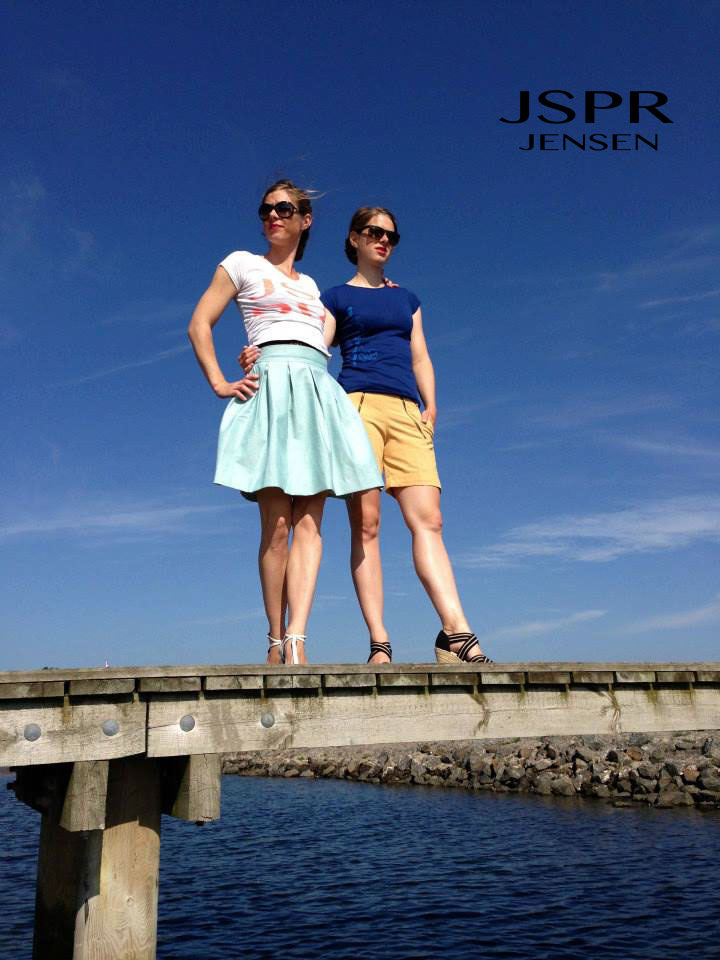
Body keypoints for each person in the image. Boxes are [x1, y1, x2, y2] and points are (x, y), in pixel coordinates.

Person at [240, 206, 491, 666]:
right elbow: (311, 344)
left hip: (407, 410)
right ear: (354, 239)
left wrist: (431, 405)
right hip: (355, 408)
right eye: (374, 232)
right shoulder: (334, 297)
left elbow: (420, 355)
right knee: (367, 526)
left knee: (430, 520)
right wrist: (261, 355)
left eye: (391, 235)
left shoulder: (408, 299)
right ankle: (380, 642)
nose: (383, 240)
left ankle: (456, 632)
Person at [188, 181, 382, 666]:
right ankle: (275, 637)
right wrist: (220, 380)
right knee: (277, 525)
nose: (272, 215)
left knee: (310, 522)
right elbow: (199, 323)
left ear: (305, 219)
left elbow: (325, 339)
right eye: (266, 209)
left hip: (316, 390)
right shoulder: (241, 263)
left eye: (284, 208)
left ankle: (298, 639)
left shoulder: (312, 286)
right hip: (271, 389)